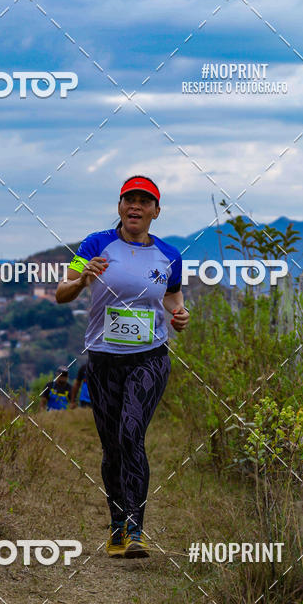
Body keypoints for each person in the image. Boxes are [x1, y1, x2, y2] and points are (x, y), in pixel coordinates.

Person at [55, 175, 190, 558]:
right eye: (129, 199)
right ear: (119, 207)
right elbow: (61, 293)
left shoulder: (170, 256)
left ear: (156, 212)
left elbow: (173, 296)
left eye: (144, 202)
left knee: (132, 434)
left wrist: (178, 314)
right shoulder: (94, 244)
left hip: (149, 358)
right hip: (103, 359)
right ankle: (116, 525)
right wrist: (83, 278)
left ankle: (135, 528)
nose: (135, 207)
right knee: (112, 447)